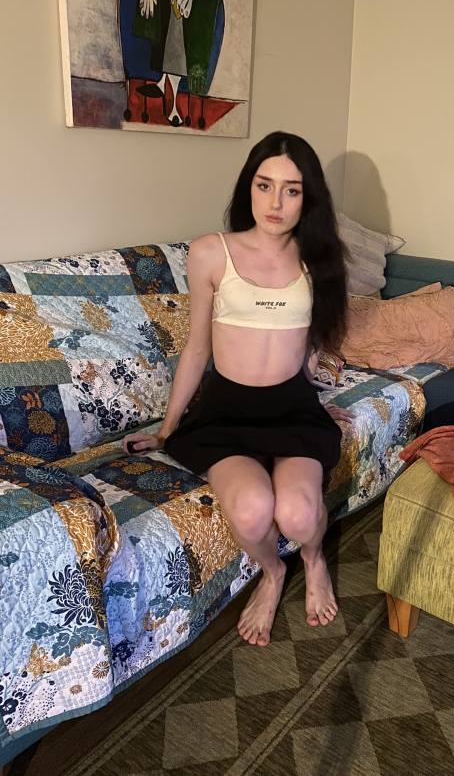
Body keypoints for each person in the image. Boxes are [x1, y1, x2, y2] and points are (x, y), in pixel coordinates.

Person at [123, 131, 353, 647]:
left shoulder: (319, 260)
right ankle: (273, 572)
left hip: (292, 410)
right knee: (251, 512)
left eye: (292, 190)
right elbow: (197, 349)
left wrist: (319, 399)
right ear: (248, 186)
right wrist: (166, 430)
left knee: (298, 515)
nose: (276, 202)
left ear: (308, 197)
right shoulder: (211, 252)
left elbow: (308, 343)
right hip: (225, 413)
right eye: (264, 185)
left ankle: (314, 557)